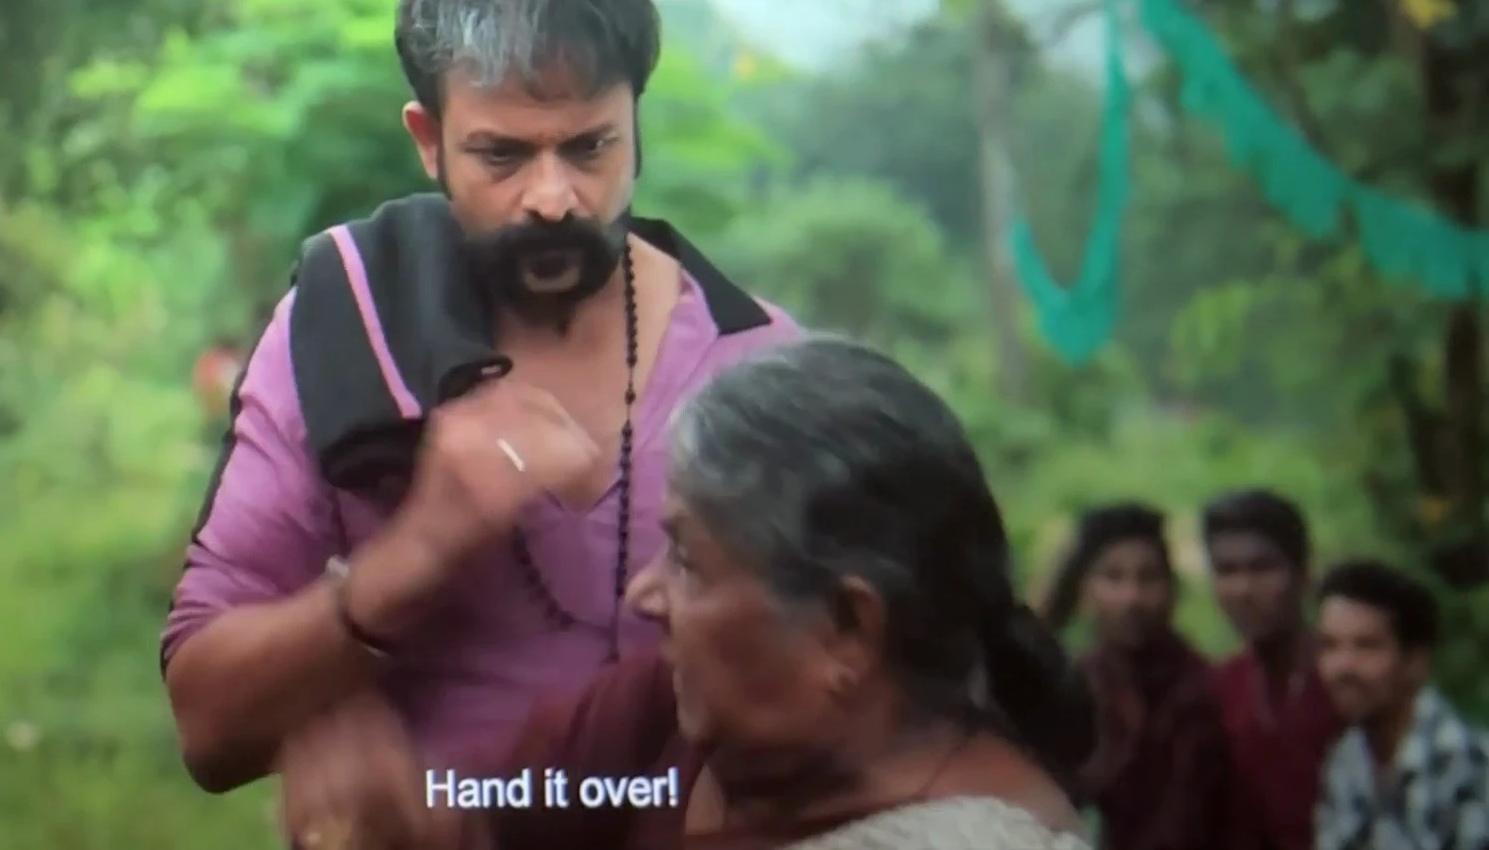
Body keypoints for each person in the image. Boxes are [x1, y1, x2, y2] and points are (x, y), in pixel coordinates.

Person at [158, 0, 796, 844]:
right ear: (429, 140)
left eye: (591, 147)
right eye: (502, 154)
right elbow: (207, 728)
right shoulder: (345, 333)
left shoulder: (760, 368)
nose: (553, 198)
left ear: (636, 125)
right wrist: (412, 557)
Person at [461, 335, 1098, 849]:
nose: (643, 595)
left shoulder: (982, 837)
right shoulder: (661, 718)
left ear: (847, 629)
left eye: (686, 559)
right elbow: (470, 818)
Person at [1041, 503, 1236, 850]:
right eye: (1113, 577)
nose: (1131, 598)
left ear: (1172, 589)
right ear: (1085, 589)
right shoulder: (1076, 686)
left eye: (1148, 578)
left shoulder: (1204, 690)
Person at [1201, 490, 1346, 850]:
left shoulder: (1346, 679)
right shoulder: (1222, 687)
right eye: (1227, 571)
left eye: (1262, 568)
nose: (1243, 589)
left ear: (1303, 573)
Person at [1312, 559, 1488, 850]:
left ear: (1416, 663)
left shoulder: (1468, 765)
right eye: (1330, 646)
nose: (1342, 666)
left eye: (1366, 646)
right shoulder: (1347, 759)